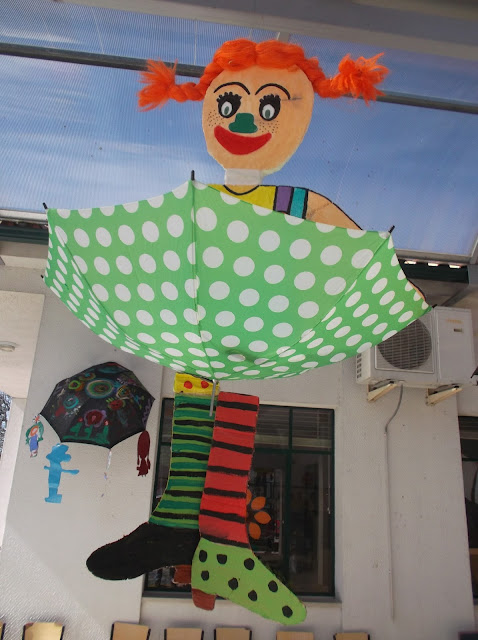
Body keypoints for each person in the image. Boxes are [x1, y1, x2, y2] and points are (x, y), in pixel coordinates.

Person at [87, 38, 389, 624]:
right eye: (229, 104)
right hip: (201, 334)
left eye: (268, 106)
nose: (246, 120)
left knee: (234, 409)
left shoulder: (295, 200)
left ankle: (218, 537)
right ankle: (182, 525)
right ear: (208, 106)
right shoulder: (196, 200)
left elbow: (352, 249)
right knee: (198, 407)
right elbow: (158, 247)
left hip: (262, 334)